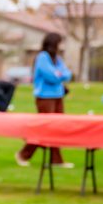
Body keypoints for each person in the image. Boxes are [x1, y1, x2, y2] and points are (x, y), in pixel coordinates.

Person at [16, 32, 73, 169]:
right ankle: (23, 154)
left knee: (56, 128)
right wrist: (59, 74)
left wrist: (59, 74)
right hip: (44, 97)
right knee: (45, 128)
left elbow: (67, 74)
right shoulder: (42, 58)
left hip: (58, 96)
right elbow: (51, 76)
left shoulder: (57, 59)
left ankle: (56, 159)